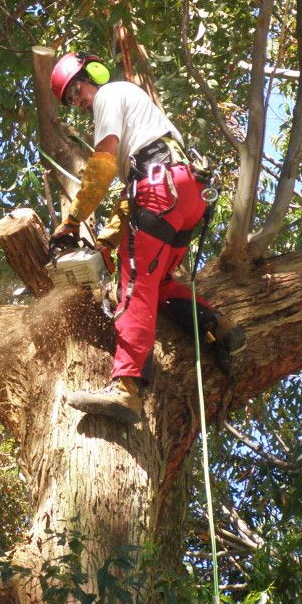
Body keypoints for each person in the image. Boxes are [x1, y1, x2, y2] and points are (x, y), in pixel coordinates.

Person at [48, 52, 243, 425]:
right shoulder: (140, 115)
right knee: (158, 284)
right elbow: (130, 199)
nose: (80, 101)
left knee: (133, 288)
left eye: (77, 90)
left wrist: (73, 221)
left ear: (91, 75)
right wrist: (104, 244)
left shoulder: (109, 95)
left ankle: (126, 388)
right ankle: (220, 327)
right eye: (72, 100)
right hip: (186, 194)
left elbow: (104, 163)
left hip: (159, 188)